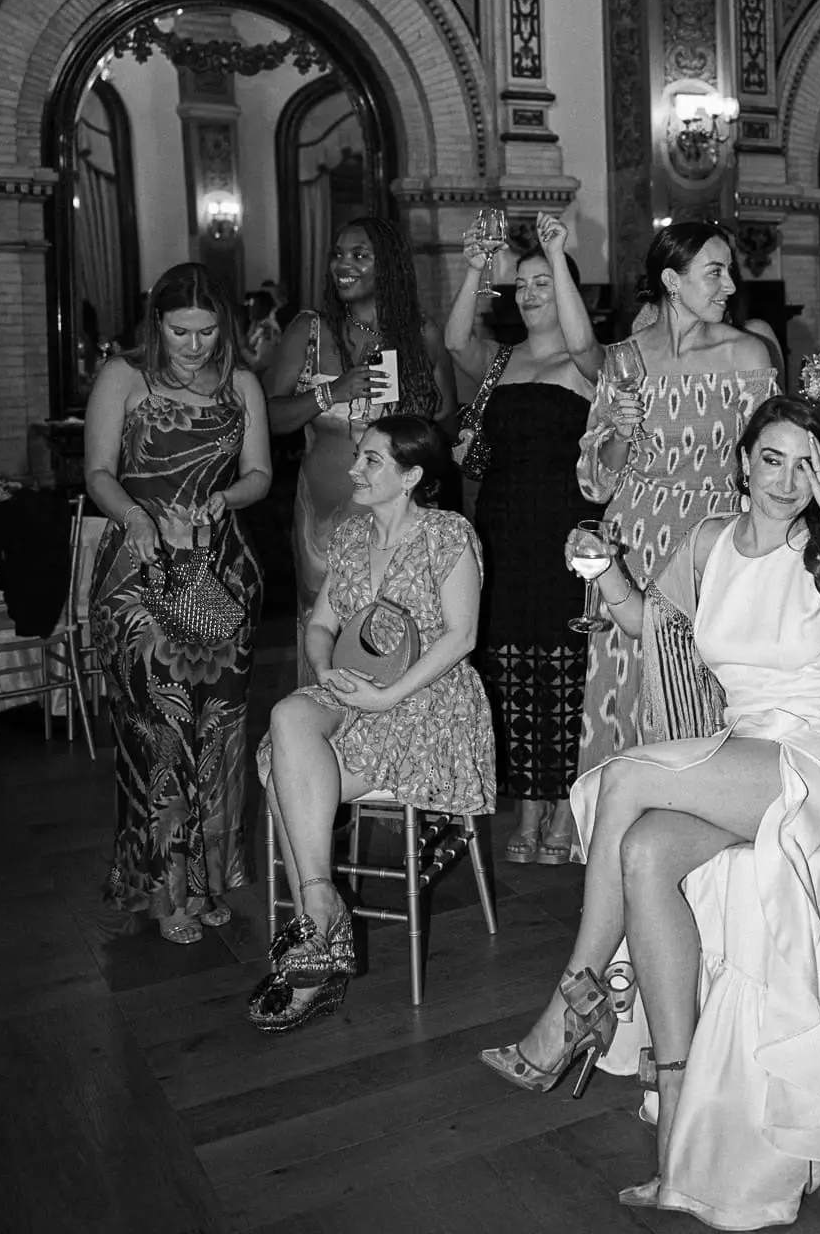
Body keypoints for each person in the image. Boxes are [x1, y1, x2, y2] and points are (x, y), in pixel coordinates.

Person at [482, 397, 820, 1227]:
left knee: (625, 780)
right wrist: (601, 569)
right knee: (645, 851)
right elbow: (650, 626)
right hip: (742, 757)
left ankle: (571, 1003)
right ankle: (677, 1132)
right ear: (744, 462)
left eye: (806, 464)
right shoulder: (709, 541)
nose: (787, 480)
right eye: (772, 459)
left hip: (817, 759)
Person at [249, 416, 494, 1033]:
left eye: (372, 460)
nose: (354, 469)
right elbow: (320, 623)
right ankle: (321, 901)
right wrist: (326, 671)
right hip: (355, 687)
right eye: (358, 456)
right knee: (288, 714)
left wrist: (386, 699)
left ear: (411, 476)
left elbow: (461, 637)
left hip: (429, 697)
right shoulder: (352, 536)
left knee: (283, 771)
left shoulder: (447, 533)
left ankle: (314, 942)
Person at [85, 263, 271, 943]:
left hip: (220, 570)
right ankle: (167, 895)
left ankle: (207, 882)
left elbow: (260, 474)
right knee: (158, 733)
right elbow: (98, 472)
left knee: (217, 733)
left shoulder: (241, 382)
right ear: (155, 324)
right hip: (137, 572)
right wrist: (133, 516)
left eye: (207, 331)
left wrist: (227, 498)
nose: (194, 346)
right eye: (179, 331)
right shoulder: (123, 376)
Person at [576, 222, 775, 767]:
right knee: (625, 689)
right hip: (631, 546)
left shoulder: (746, 354)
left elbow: (767, 463)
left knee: (698, 694)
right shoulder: (625, 360)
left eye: (728, 272)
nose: (729, 285)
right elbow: (594, 483)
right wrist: (619, 434)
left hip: (710, 549)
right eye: (715, 272)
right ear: (671, 280)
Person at [445, 211, 602, 866]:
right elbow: (455, 340)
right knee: (509, 665)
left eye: (545, 284)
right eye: (525, 285)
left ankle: (565, 802)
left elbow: (585, 343)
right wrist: (476, 268)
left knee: (566, 660)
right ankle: (529, 803)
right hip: (503, 530)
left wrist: (556, 255)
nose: (532, 294)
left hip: (566, 529)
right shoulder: (502, 360)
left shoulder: (589, 361)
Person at [265, 217, 458, 684]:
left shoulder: (421, 335)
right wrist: (330, 393)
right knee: (327, 636)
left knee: (402, 632)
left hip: (402, 516)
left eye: (359, 255)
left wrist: (411, 419)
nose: (342, 265)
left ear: (388, 265)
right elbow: (267, 415)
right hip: (325, 521)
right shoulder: (309, 331)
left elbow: (448, 421)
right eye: (337, 254)